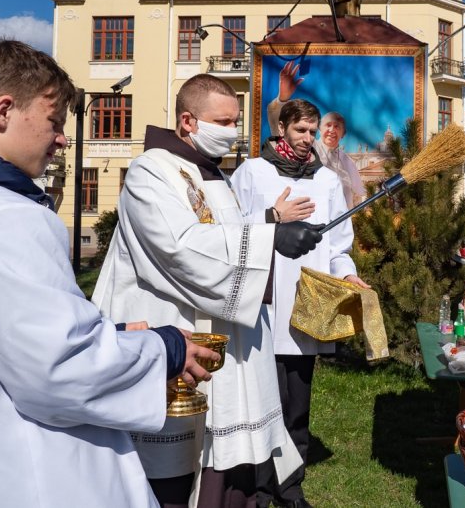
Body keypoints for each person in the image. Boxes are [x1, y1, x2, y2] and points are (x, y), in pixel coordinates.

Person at [0, 39, 216, 508]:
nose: (62, 138)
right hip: (17, 473)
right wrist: (164, 348)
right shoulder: (3, 215)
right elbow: (60, 369)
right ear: (3, 111)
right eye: (54, 121)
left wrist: (110, 335)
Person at [92, 74, 322, 508]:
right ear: (188, 121)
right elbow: (179, 247)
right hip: (172, 329)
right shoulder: (152, 171)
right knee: (174, 470)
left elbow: (223, 236)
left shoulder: (213, 176)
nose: (233, 132)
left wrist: (272, 228)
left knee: (224, 463)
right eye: (224, 121)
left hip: (220, 333)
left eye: (237, 122)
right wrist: (269, 240)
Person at [232, 98, 368, 508]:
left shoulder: (326, 180)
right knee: (260, 402)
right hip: (260, 306)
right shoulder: (253, 172)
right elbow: (228, 231)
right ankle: (257, 487)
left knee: (297, 406)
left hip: (306, 307)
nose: (308, 139)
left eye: (312, 131)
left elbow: (338, 243)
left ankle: (290, 488)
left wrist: (347, 272)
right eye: (300, 131)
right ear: (282, 130)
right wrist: (273, 217)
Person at [267, 61, 364, 207]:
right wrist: (282, 99)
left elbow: (361, 194)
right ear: (319, 129)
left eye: (337, 127)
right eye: (328, 125)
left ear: (343, 133)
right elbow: (280, 128)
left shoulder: (348, 162)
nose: (332, 130)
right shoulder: (305, 149)